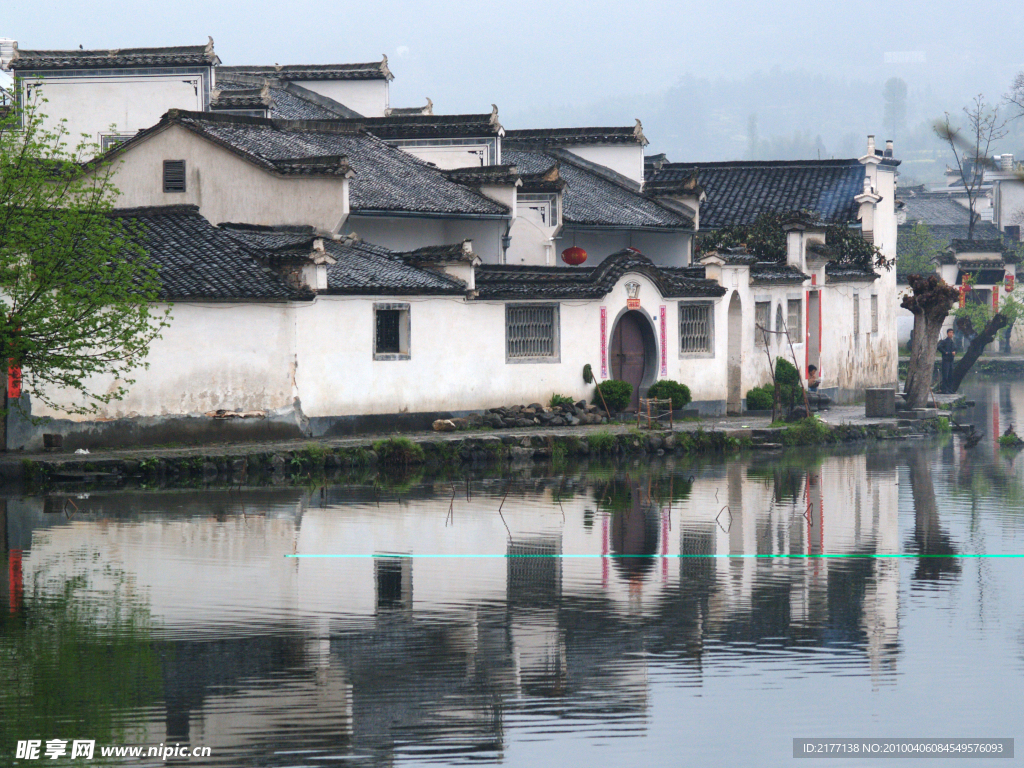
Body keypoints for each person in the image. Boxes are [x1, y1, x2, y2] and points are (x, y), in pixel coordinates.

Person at [937, 328, 956, 393]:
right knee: (945, 375)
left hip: (951, 360)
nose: (951, 334)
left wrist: (954, 352)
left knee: (951, 375)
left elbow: (955, 349)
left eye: (952, 333)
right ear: (947, 333)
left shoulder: (952, 342)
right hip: (946, 360)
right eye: (950, 332)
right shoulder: (944, 341)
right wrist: (945, 352)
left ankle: (949, 389)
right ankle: (944, 389)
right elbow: (939, 347)